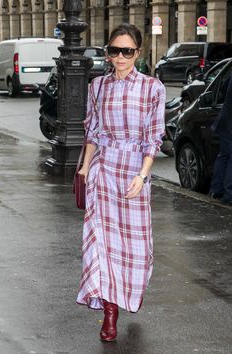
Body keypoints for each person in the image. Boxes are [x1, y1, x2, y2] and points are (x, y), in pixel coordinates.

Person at [76, 23, 166, 341]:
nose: (120, 57)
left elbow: (154, 138)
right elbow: (93, 132)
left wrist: (143, 175)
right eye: (115, 50)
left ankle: (130, 292)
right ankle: (109, 313)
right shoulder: (98, 86)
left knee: (136, 247)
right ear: (108, 52)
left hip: (133, 174)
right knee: (103, 244)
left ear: (138, 53)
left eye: (127, 51)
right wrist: (84, 170)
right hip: (103, 170)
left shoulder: (152, 88)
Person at [209, 73, 232, 206]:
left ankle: (217, 190)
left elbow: (223, 87)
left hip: (225, 119)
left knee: (224, 156)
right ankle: (229, 195)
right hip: (229, 122)